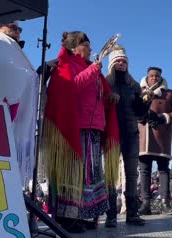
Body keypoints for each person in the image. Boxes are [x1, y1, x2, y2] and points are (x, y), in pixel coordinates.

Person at [43, 31, 120, 232]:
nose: (91, 49)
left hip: (93, 127)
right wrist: (93, 70)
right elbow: (70, 88)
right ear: (74, 48)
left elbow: (94, 97)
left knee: (91, 174)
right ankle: (67, 218)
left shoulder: (90, 69)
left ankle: (86, 216)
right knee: (74, 173)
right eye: (87, 45)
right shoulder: (64, 65)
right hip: (74, 127)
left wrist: (109, 99)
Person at [0, 20, 41, 185]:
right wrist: (30, 75)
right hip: (0, 107)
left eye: (19, 28)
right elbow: (6, 70)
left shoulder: (10, 47)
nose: (18, 32)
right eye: (13, 27)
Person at [105, 44, 147, 227]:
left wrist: (145, 101)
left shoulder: (134, 85)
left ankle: (132, 214)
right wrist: (108, 99)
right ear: (112, 64)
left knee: (131, 175)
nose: (122, 63)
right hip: (112, 134)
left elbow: (140, 113)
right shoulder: (105, 82)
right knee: (111, 176)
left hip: (131, 133)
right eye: (118, 61)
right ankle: (111, 216)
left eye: (124, 61)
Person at [137, 66, 172, 215]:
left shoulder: (169, 94)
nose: (154, 78)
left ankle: (165, 201)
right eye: (152, 75)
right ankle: (146, 203)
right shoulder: (139, 92)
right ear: (147, 77)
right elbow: (131, 109)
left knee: (163, 170)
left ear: (161, 78)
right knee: (144, 170)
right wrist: (141, 116)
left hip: (161, 137)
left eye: (157, 76)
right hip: (143, 137)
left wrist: (164, 117)